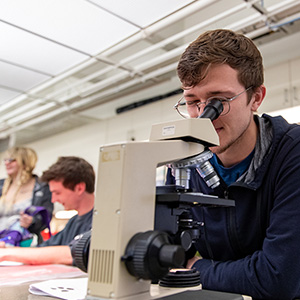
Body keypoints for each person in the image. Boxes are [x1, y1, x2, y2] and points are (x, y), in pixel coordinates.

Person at [167, 29, 300, 300]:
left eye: (219, 101)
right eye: (193, 102)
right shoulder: (185, 163)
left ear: (256, 98)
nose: (204, 117)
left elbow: (278, 278)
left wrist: (195, 269)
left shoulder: (293, 153)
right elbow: (166, 257)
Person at [0, 156, 95, 265]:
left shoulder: (101, 221)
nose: (53, 199)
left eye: (57, 193)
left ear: (79, 188)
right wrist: (7, 248)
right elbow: (44, 249)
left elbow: (72, 253)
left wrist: (7, 254)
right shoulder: (73, 222)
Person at [0, 146, 53, 246]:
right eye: (6, 160)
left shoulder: (42, 187)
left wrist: (32, 221)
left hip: (25, 243)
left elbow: (46, 217)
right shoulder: (1, 186)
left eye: (12, 160)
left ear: (25, 163)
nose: (7, 163)